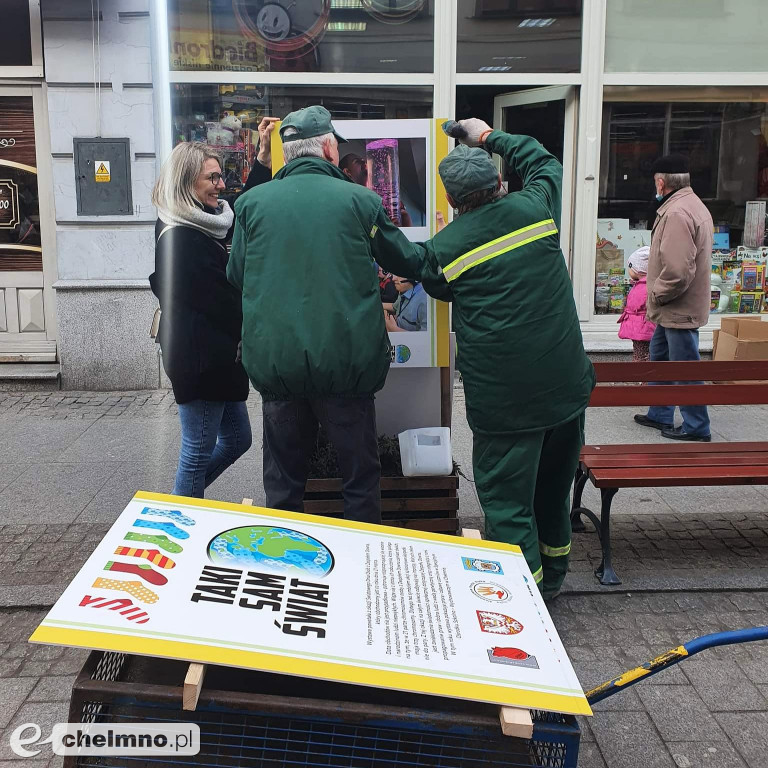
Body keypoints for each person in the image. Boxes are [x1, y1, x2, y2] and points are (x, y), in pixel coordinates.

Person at [416, 118, 595, 600]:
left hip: (506, 404)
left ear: (452, 202)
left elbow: (434, 283)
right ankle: (553, 577)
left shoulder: (445, 248)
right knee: (551, 492)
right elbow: (543, 162)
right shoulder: (536, 207)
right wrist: (489, 134)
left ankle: (526, 600)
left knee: (507, 502)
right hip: (565, 389)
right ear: (499, 183)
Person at [227, 105, 422, 524]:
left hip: (278, 364)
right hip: (345, 362)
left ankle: (286, 573)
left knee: (283, 486)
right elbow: (405, 259)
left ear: (287, 153)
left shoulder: (252, 204)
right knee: (359, 480)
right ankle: (360, 573)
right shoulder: (360, 200)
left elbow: (237, 274)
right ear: (329, 148)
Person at [150, 142, 252, 498]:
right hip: (201, 360)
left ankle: (183, 499)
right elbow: (222, 298)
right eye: (212, 177)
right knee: (196, 452)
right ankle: (182, 516)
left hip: (215, 356)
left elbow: (241, 212)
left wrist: (265, 166)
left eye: (220, 175)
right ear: (185, 182)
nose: (221, 184)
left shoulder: (197, 222)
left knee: (239, 439)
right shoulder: (181, 236)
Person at [634, 154, 713, 442]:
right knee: (661, 357)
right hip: (674, 309)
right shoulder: (689, 205)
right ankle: (660, 412)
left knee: (684, 368)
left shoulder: (677, 213)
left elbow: (678, 270)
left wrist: (656, 293)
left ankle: (696, 426)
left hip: (677, 308)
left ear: (661, 182)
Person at [618, 246, 656, 362]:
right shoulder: (648, 284)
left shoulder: (642, 287)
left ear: (638, 270)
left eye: (630, 266)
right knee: (647, 354)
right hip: (646, 327)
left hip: (642, 328)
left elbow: (634, 305)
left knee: (641, 356)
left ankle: (644, 378)